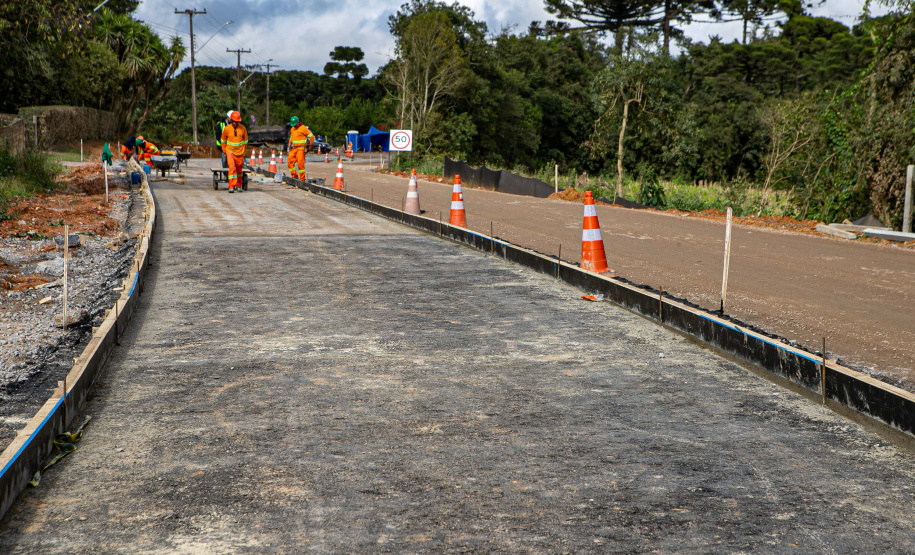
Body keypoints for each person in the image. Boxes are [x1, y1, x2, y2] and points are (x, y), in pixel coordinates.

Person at [220, 110, 248, 193]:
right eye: (234, 121)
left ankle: (239, 185)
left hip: (240, 152)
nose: (235, 123)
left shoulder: (243, 129)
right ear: (231, 120)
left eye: (237, 121)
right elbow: (223, 141)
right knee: (232, 168)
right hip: (230, 152)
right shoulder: (227, 129)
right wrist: (225, 151)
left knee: (239, 170)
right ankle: (231, 186)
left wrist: (243, 151)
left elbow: (245, 141)